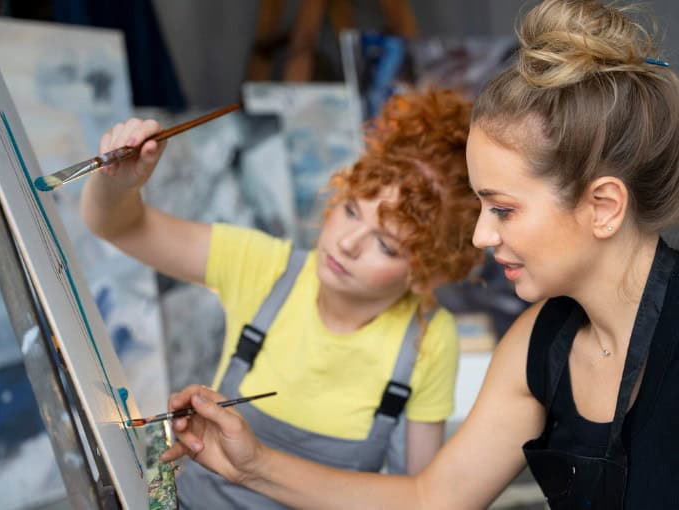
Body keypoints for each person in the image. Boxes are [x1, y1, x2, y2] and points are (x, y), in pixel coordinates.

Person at [159, 0, 679, 508]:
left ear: (604, 206)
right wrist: (252, 464)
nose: (480, 237)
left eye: (502, 209)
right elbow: (434, 497)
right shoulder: (536, 346)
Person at [81, 90, 482, 508]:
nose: (347, 244)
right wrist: (118, 185)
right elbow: (119, 226)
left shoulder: (427, 338)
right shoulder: (263, 267)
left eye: (386, 245)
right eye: (350, 211)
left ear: (427, 271)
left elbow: (422, 497)